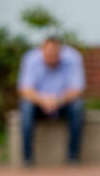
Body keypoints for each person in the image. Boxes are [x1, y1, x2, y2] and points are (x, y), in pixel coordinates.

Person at [18, 34, 86, 165]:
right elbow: (25, 90)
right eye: (48, 54)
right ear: (41, 51)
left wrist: (58, 100)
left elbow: (78, 89)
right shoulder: (31, 59)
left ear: (61, 51)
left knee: (77, 106)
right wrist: (43, 100)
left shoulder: (73, 58)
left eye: (54, 54)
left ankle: (73, 157)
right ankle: (27, 158)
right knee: (26, 107)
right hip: (38, 103)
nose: (51, 58)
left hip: (63, 103)